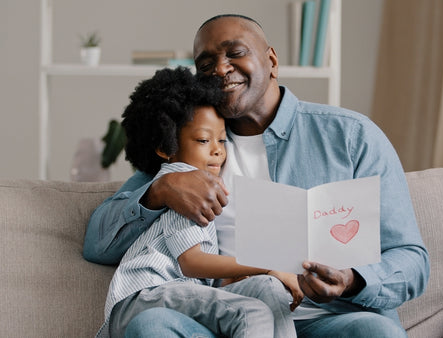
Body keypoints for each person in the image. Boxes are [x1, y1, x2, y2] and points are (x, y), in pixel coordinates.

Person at [84, 14, 430, 337]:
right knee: (152, 323)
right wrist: (160, 190)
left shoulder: (351, 137)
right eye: (205, 64)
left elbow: (411, 258)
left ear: (272, 61)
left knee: (376, 332)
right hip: (224, 319)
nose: (220, 68)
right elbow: (98, 243)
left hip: (330, 318)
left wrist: (351, 280)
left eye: (235, 52)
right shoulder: (190, 147)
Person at [96, 67, 302, 338]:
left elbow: (201, 275)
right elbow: (191, 262)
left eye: (222, 140)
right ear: (166, 147)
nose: (217, 150)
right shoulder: (183, 182)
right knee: (252, 311)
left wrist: (250, 277)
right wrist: (267, 264)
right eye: (204, 140)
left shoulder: (203, 187)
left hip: (175, 295)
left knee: (270, 289)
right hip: (145, 295)